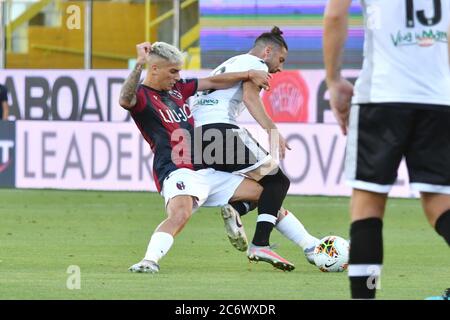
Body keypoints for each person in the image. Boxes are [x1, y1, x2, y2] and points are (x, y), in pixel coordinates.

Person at [323, 0, 450, 299]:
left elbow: (335, 14)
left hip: (381, 96)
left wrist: (333, 80)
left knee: (367, 206)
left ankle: (366, 296)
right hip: (437, 100)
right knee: (439, 206)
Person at [119, 41, 274, 273]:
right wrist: (138, 65)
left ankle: (310, 246)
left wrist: (248, 74)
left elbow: (213, 81)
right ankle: (149, 261)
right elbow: (124, 99)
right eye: (173, 71)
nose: (178, 76)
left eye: (179, 71)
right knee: (181, 214)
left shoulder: (177, 88)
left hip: (205, 168)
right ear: (154, 69)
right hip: (175, 167)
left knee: (268, 193)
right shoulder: (141, 96)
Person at [191, 26, 319, 271]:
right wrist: (273, 132)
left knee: (265, 191)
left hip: (197, 136)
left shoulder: (231, 63)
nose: (280, 68)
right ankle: (260, 243)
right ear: (267, 51)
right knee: (278, 182)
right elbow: (251, 99)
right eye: (280, 60)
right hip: (221, 131)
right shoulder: (256, 64)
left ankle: (238, 209)